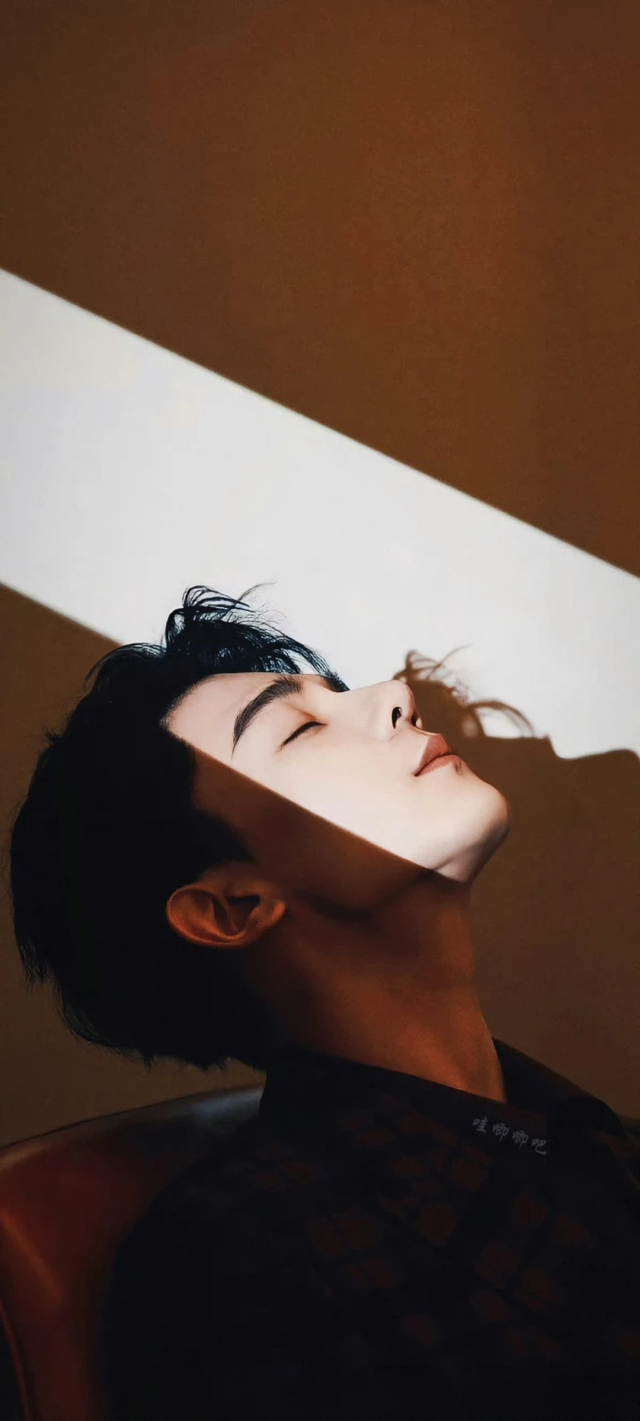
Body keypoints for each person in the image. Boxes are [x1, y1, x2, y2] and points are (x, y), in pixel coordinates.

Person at [9, 585, 640, 1420]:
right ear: (232, 906)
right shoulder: (240, 1259)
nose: (394, 696)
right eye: (300, 728)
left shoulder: (588, 1138)